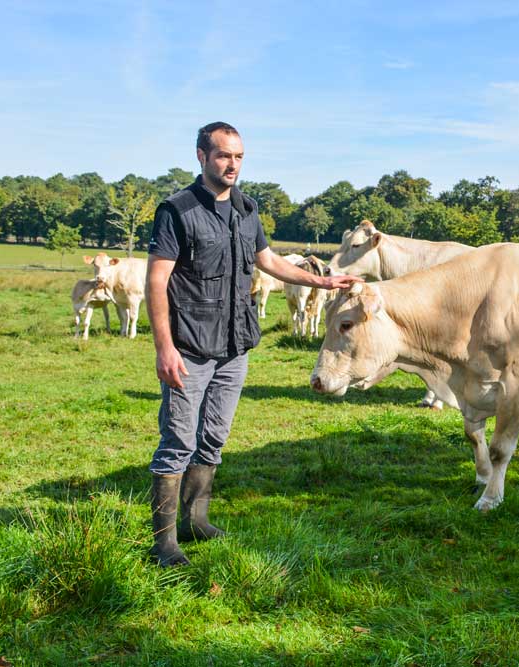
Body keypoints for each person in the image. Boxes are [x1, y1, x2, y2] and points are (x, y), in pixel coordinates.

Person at [145, 121, 361, 567]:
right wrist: (164, 347)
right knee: (178, 439)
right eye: (224, 155)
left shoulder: (246, 208)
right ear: (202, 156)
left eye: (239, 156)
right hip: (188, 346)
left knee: (214, 437)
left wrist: (321, 279)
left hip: (234, 345)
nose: (232, 164)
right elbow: (156, 280)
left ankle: (196, 520)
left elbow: (268, 260)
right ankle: (164, 543)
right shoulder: (177, 210)